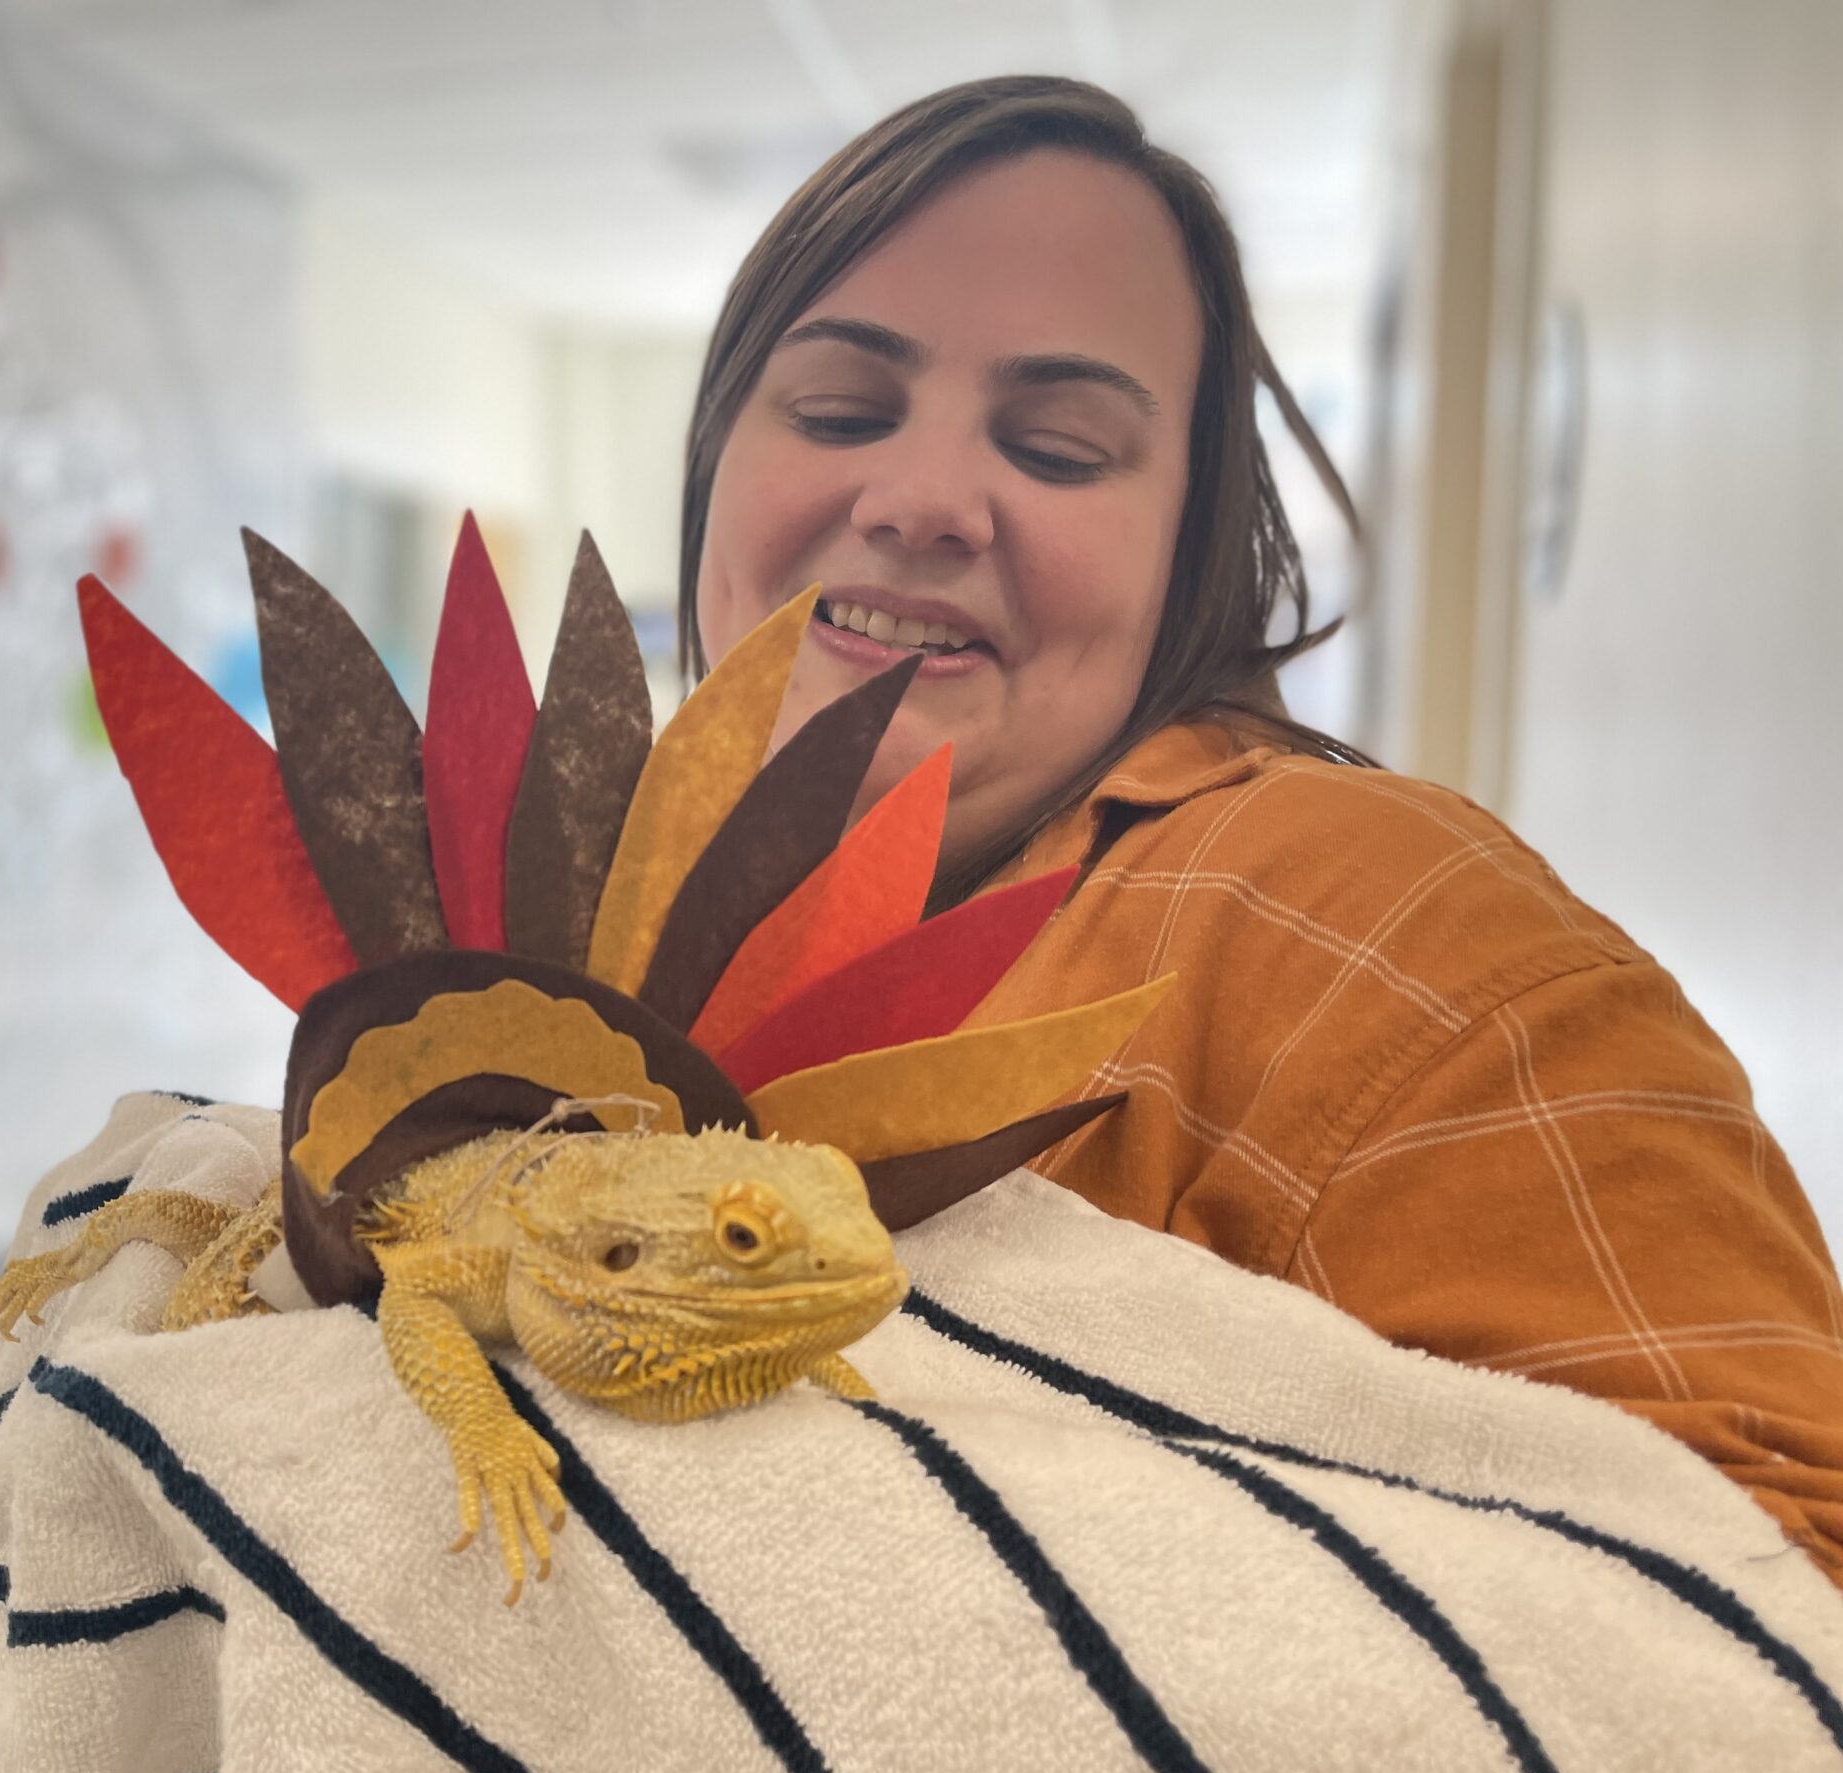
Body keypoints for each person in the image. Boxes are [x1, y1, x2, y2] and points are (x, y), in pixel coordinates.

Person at [678, 76, 1843, 1586]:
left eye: (1060, 448)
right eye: (842, 411)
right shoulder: (616, 932)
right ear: (713, 469)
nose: (921, 499)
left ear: (1191, 554)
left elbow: (1785, 1609)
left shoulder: (1388, 924)